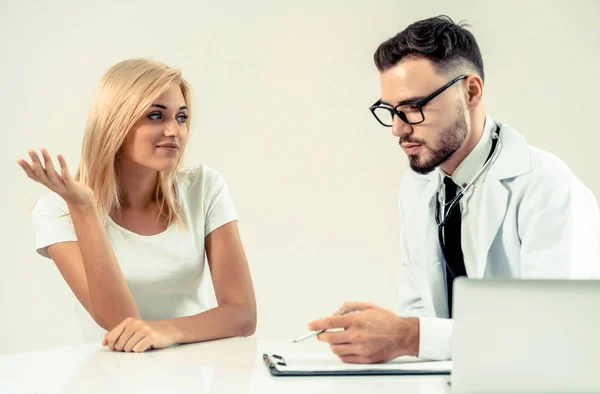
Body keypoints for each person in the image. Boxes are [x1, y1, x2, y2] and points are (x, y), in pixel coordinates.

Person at [308, 15, 600, 362]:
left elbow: (557, 332)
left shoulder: (548, 188)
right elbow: (420, 307)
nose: (398, 129)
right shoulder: (417, 187)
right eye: (391, 110)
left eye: (414, 107)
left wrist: (409, 336)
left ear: (471, 91)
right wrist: (387, 335)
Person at [17, 59, 257, 353]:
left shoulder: (204, 188)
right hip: (113, 378)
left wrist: (165, 331)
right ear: (114, 123)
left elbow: (242, 314)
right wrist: (85, 210)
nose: (174, 131)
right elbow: (119, 323)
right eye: (156, 116)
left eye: (181, 117)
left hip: (197, 373)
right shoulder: (59, 210)